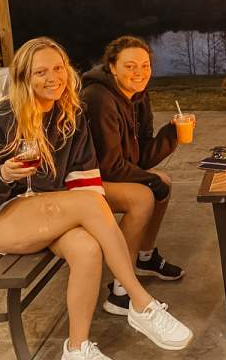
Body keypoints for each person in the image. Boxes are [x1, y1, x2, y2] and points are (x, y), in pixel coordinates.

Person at [0, 38, 192, 360]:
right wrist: (3, 176)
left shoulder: (70, 116)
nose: (53, 78)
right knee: (92, 204)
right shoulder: (1, 119)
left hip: (51, 208)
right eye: (40, 72)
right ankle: (139, 302)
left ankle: (76, 349)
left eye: (58, 68)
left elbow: (84, 176)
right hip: (1, 218)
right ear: (23, 78)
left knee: (88, 248)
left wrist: (94, 224)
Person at [81, 36, 184, 316]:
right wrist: (150, 182)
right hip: (82, 179)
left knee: (163, 181)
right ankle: (120, 291)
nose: (140, 73)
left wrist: (171, 134)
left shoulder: (138, 95)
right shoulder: (99, 98)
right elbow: (111, 166)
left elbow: (140, 158)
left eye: (145, 65)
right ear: (112, 67)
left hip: (108, 171)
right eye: (130, 66)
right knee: (143, 197)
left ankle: (145, 257)